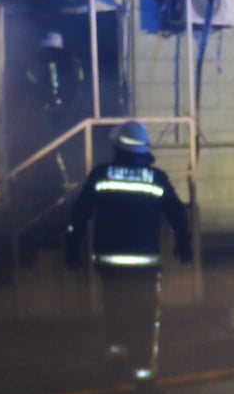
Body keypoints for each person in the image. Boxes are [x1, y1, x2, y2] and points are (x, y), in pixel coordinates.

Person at [65, 120, 193, 380]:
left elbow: (79, 214)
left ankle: (115, 362)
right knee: (145, 318)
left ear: (116, 148)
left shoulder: (101, 175)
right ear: (144, 149)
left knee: (114, 309)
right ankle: (144, 377)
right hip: (145, 266)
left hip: (109, 265)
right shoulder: (156, 178)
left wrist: (72, 246)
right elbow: (177, 212)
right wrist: (184, 242)